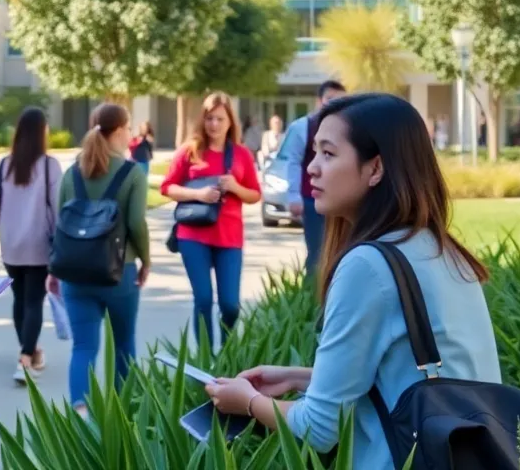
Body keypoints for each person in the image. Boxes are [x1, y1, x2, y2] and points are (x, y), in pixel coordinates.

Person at [204, 93, 501, 468]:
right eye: (314, 153)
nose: (311, 168)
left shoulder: (369, 265)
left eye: (328, 154)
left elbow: (318, 428)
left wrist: (246, 401)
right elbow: (422, 378)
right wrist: (301, 377)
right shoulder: (441, 249)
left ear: (375, 169)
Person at [48, 103, 151, 417]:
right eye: (129, 127)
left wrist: (53, 269)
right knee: (123, 346)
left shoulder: (72, 173)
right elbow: (136, 223)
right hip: (119, 273)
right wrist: (146, 261)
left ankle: (81, 411)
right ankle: (122, 415)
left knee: (83, 348)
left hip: (75, 275)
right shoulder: (131, 173)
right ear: (120, 130)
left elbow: (59, 225)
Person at [161, 92, 262, 350]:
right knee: (203, 299)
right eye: (209, 118)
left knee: (230, 304)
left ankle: (227, 356)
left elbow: (255, 194)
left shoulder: (241, 154)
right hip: (193, 235)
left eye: (219, 118)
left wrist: (236, 187)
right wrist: (198, 194)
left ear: (230, 122)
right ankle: (206, 358)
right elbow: (167, 187)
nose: (214, 124)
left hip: (229, 237)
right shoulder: (190, 151)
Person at [0, 107, 63, 385]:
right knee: (34, 301)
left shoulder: (5, 164)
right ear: (41, 132)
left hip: (11, 244)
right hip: (39, 244)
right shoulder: (50, 165)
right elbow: (58, 205)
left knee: (20, 299)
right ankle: (26, 358)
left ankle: (28, 352)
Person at [280, 80, 347, 276]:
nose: (335, 105)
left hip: (340, 200)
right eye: (330, 99)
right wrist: (293, 196)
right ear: (319, 101)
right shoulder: (302, 126)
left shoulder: (347, 128)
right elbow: (292, 162)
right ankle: (311, 299)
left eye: (341, 101)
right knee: (317, 253)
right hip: (312, 198)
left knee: (340, 251)